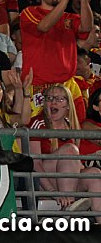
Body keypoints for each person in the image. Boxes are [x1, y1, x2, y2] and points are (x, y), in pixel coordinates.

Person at [21, 0, 93, 115]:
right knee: (37, 130)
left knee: (74, 129)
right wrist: (65, 0)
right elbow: (44, 26)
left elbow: (86, 27)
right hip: (38, 85)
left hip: (67, 84)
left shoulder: (69, 17)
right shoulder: (30, 12)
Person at [29, 84, 101, 220]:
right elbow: (35, 163)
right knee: (70, 150)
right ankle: (68, 207)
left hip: (67, 182)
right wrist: (53, 192)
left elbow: (75, 164)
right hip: (45, 182)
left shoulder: (72, 125)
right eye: (49, 98)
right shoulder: (38, 123)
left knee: (95, 174)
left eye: (59, 99)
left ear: (68, 105)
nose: (53, 102)